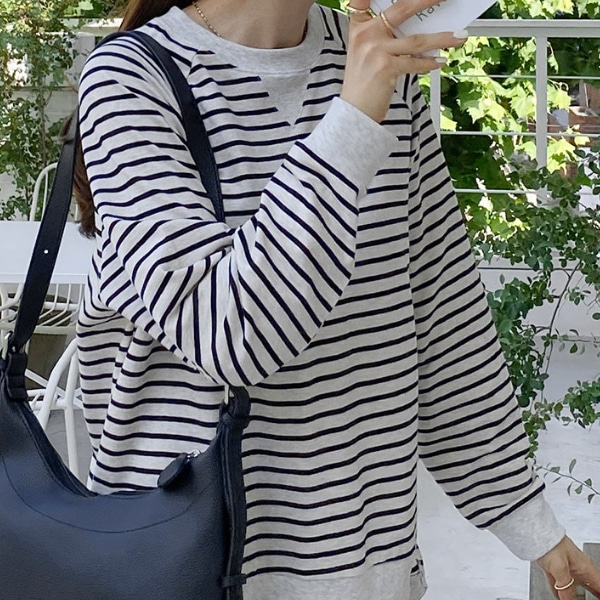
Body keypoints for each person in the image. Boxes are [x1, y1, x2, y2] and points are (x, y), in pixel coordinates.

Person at [74, 0, 600, 598]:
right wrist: (353, 118)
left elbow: (446, 327)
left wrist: (533, 527)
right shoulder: (129, 79)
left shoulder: (375, 61)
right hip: (186, 570)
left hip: (368, 570)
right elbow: (230, 337)